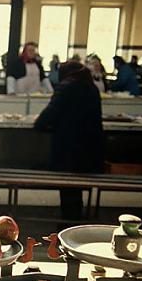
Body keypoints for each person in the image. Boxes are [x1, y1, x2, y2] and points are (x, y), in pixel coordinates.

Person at [34, 61, 105, 222]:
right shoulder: (91, 87)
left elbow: (50, 114)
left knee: (68, 188)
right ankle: (74, 220)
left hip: (69, 151)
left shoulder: (66, 87)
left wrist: (39, 125)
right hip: (90, 152)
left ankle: (68, 222)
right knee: (75, 189)